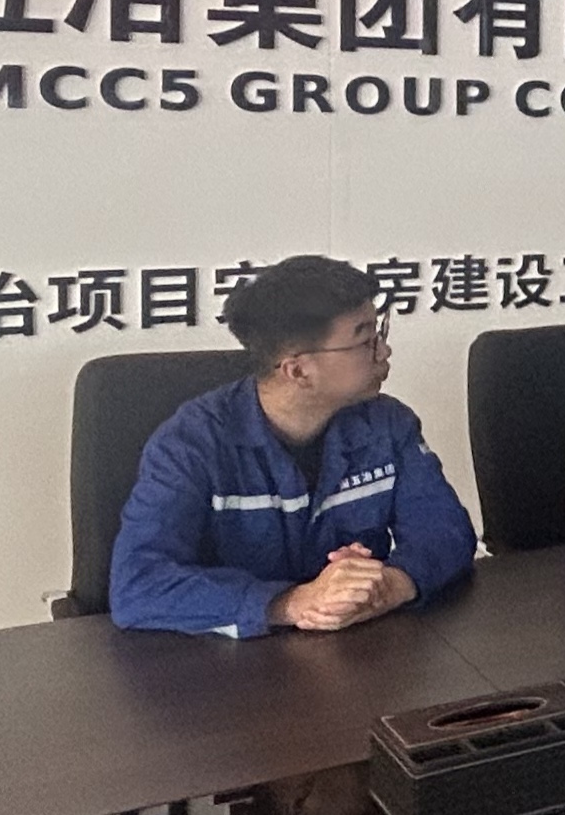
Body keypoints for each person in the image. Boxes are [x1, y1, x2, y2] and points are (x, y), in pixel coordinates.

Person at [108, 255, 480, 636]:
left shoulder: (388, 425)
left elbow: (446, 531)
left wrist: (389, 585)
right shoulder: (191, 445)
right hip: (227, 664)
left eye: (380, 333)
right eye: (366, 340)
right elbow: (138, 585)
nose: (383, 352)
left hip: (362, 652)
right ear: (298, 371)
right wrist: (293, 603)